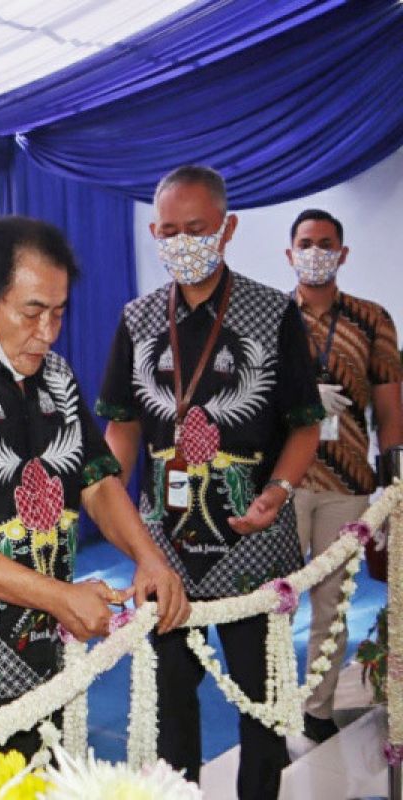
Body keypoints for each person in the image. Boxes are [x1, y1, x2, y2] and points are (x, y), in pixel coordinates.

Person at [0, 216, 189, 757]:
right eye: (31, 312)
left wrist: (150, 558)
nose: (48, 332)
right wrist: (60, 597)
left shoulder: (57, 377)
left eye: (59, 313)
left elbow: (97, 482)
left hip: (47, 650)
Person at [97, 166, 322, 798]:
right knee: (169, 701)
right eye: (168, 230)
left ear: (226, 229)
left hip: (253, 538)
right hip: (162, 547)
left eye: (195, 228)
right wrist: (110, 500)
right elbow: (121, 428)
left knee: (262, 701)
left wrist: (277, 491)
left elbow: (305, 427)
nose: (181, 241)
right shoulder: (138, 319)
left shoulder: (272, 312)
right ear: (153, 232)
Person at [284, 209, 403, 743]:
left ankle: (318, 707)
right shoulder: (271, 316)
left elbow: (389, 407)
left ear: (343, 253)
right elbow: (251, 399)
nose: (315, 251)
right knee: (275, 599)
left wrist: (393, 477)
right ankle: (272, 704)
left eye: (325, 242)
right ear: (290, 254)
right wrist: (304, 398)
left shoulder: (373, 318)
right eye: (305, 243)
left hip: (349, 481)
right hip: (281, 481)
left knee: (332, 606)